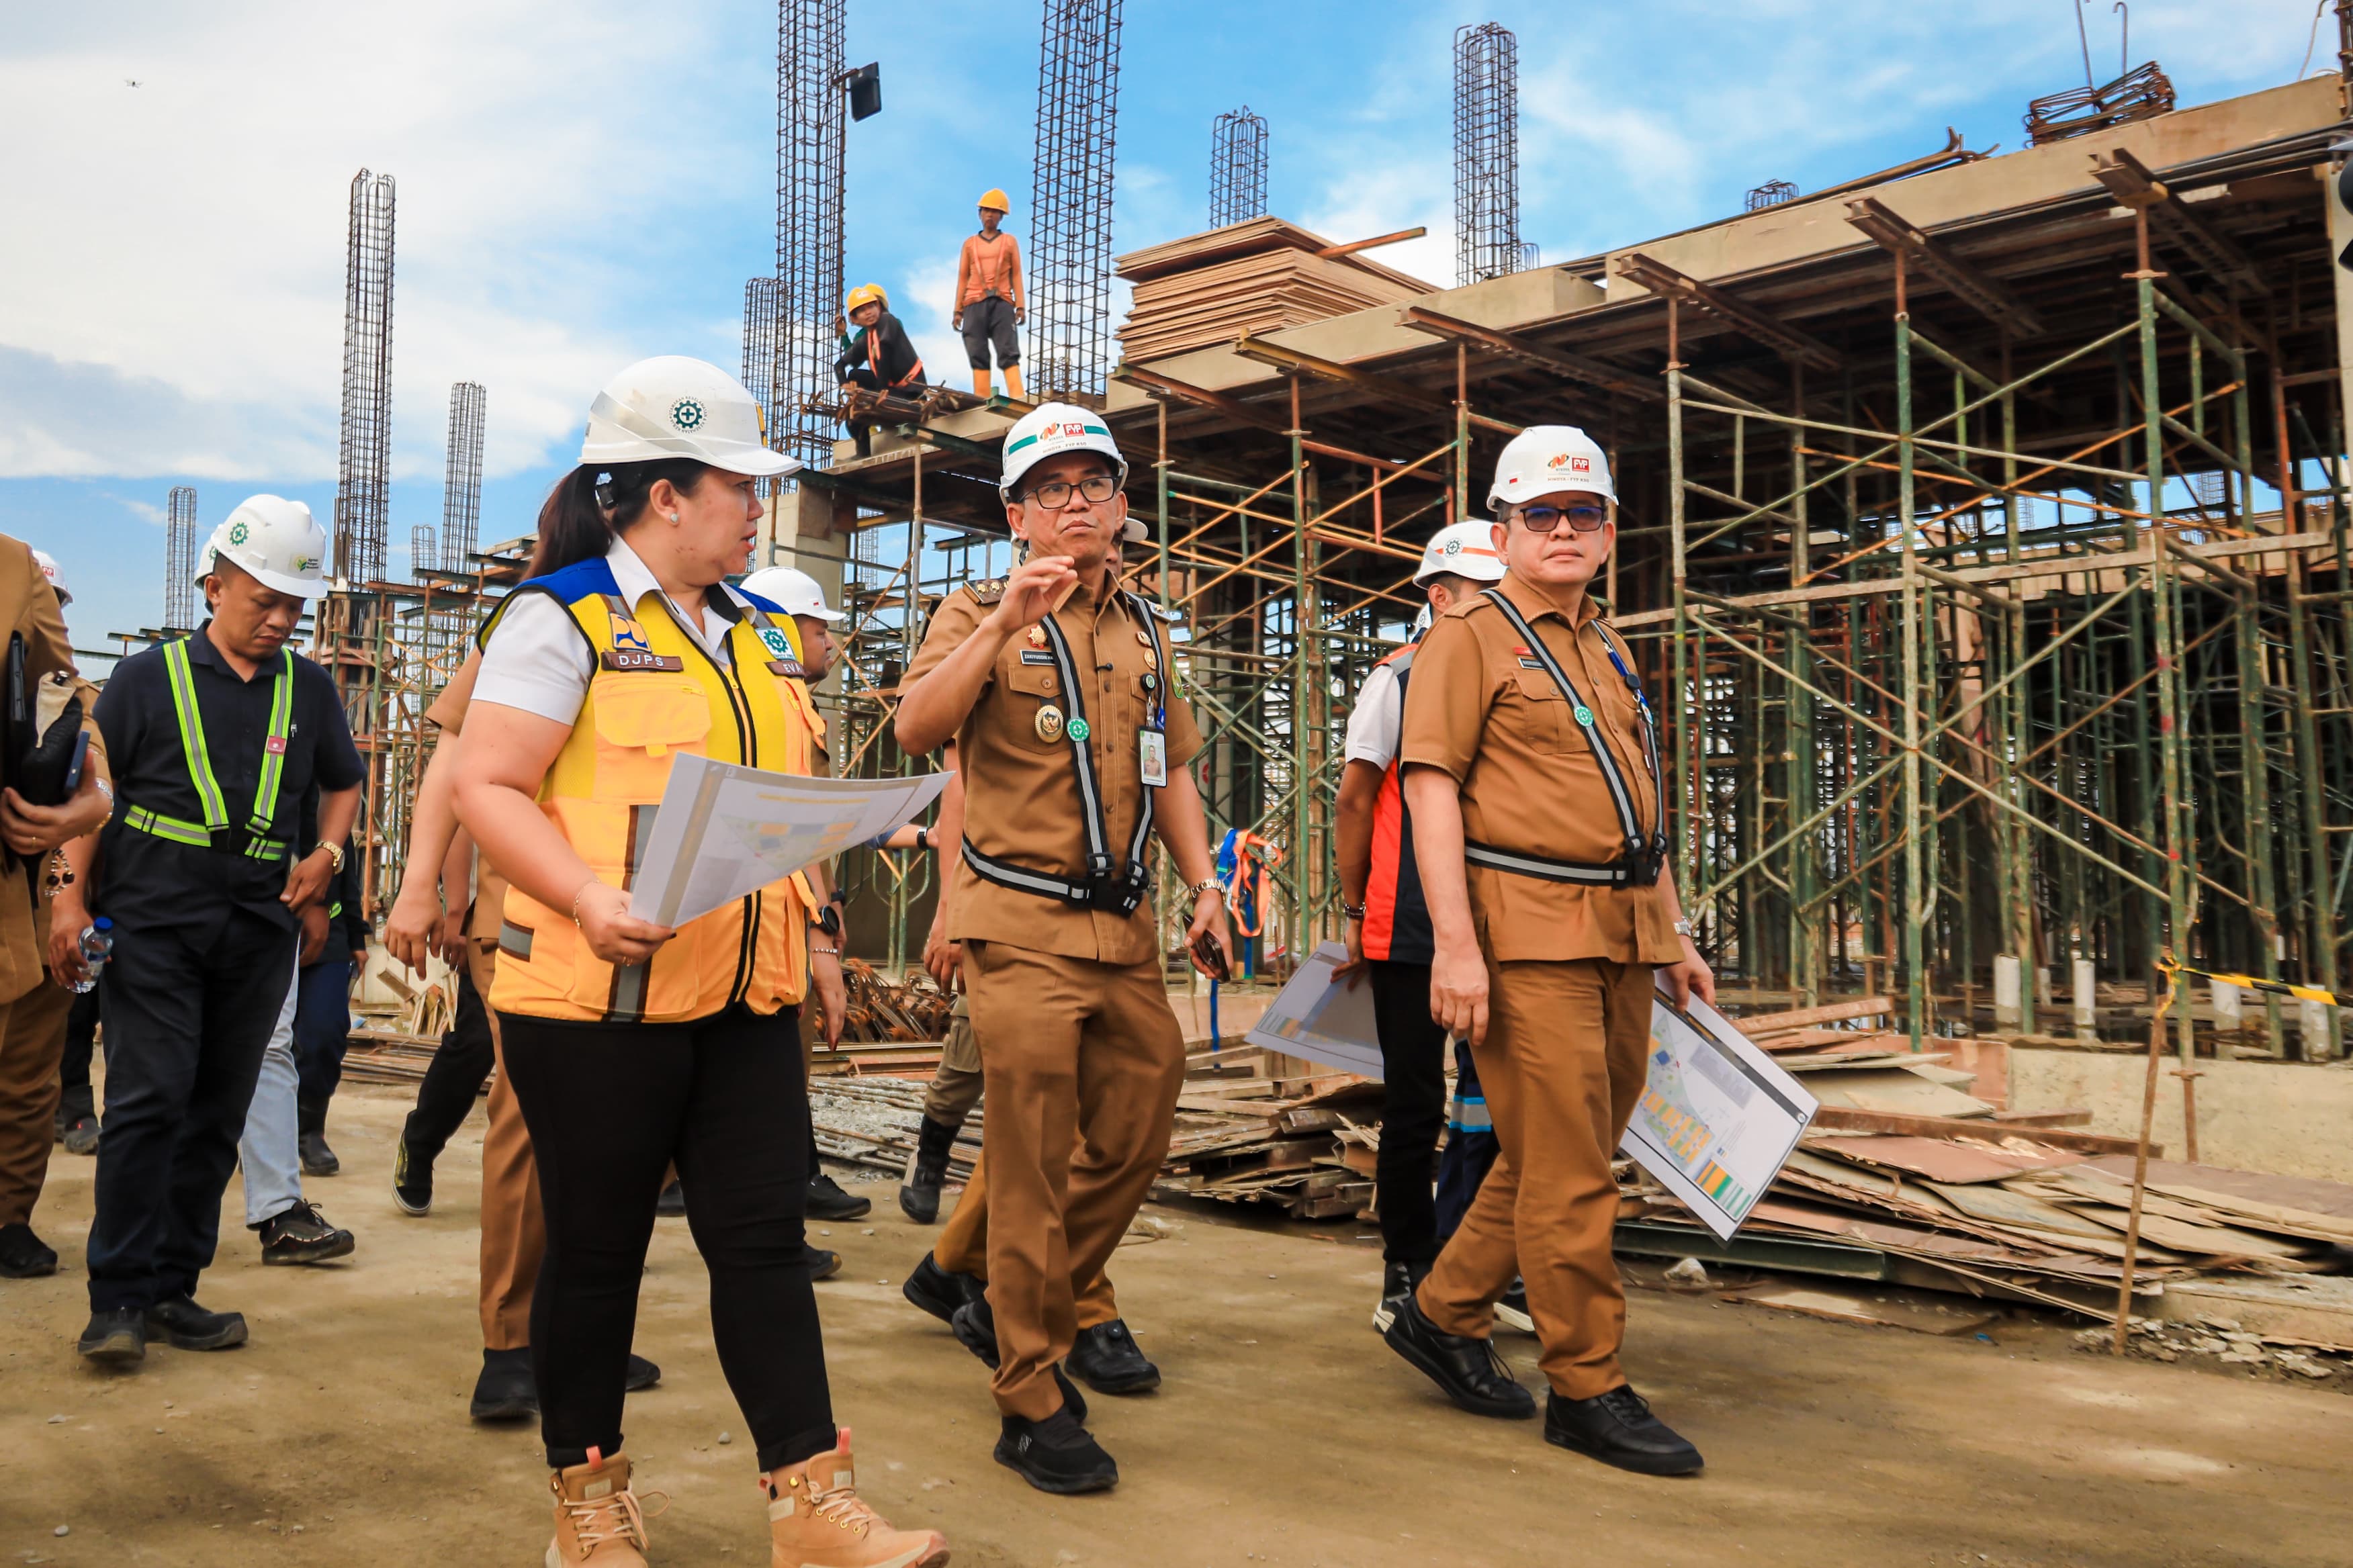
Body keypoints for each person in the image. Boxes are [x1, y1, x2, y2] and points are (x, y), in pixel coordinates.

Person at [451, 355, 944, 1567]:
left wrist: (833, 899)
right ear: (664, 493)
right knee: (598, 1252)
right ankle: (588, 1506)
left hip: (742, 992)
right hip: (595, 998)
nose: (754, 506)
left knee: (764, 1243)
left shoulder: (754, 635)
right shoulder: (557, 618)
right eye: (738, 484)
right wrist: (579, 893)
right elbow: (486, 784)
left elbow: (774, 805)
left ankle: (809, 1502)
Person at [895, 401, 1229, 1494]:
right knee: (1030, 1160)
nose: (1074, 504)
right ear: (1015, 513)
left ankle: (1014, 1297)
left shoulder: (1144, 629)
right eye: (1050, 490)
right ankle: (1030, 1392)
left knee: (1139, 1117)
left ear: (1123, 503)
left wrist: (1204, 884)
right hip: (1019, 920)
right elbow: (916, 730)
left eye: (1093, 485)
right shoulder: (975, 608)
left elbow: (1171, 771)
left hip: (1120, 924)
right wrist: (1000, 629)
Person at [1383, 427, 1713, 1477]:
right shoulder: (1468, 636)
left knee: (1555, 1151)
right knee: (1570, 1172)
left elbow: (1636, 805)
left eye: (1583, 513)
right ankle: (1586, 1383)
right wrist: (1455, 949)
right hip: (1524, 939)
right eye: (1540, 514)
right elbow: (1427, 786)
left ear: (1610, 531)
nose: (1563, 529)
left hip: (1621, 931)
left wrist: (1672, 931)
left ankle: (1440, 1308)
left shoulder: (1604, 645)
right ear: (1502, 528)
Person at [54, 499, 362, 1365]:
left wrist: (329, 856)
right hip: (154, 921)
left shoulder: (309, 689)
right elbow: (93, 797)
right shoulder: (147, 680)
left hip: (256, 926)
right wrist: (71, 900)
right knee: (150, 1102)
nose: (278, 620)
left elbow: (343, 781)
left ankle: (170, 1289)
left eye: (294, 607)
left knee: (216, 1112)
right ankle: (115, 1295)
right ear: (214, 582)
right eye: (263, 599)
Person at [382, 647, 663, 1422]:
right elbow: (455, 767)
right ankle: (508, 1343)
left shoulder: (691, 627)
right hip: (525, 921)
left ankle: (578, 1330)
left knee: (617, 1130)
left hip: (637, 923)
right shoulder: (538, 620)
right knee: (528, 1115)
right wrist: (426, 888)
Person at [1334, 520, 1513, 1332]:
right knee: (1414, 1103)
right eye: (1485, 596)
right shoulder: (1396, 680)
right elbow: (1352, 797)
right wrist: (1353, 905)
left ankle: (1479, 1259)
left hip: (1504, 922)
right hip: (1407, 923)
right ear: (1438, 598)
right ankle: (1405, 1268)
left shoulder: (1521, 671)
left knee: (1505, 1103)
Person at [741, 564, 869, 1227]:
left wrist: (828, 902)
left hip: (792, 907)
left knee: (783, 1060)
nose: (830, 643)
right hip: (766, 916)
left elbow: (810, 820)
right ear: (782, 631)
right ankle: (781, 1198)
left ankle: (798, 1175)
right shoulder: (762, 701)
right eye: (819, 628)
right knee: (772, 1060)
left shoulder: (796, 704)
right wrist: (819, 926)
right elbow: (786, 823)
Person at [0, 540, 110, 1279]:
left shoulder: (12, 571)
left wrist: (91, 801)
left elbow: (72, 704)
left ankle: (8, 1216)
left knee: (24, 1075)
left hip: (21, 889)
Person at [232, 815, 360, 1266]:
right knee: (172, 1051)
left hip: (272, 901)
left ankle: (280, 1211)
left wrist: (316, 897)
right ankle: (143, 1223)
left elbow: (330, 793)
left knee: (272, 1043)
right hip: (163, 894)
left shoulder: (300, 746)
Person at [833, 284, 925, 458]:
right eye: (862, 310)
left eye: (871, 306)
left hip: (909, 392)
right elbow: (845, 363)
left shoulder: (890, 322)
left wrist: (879, 393)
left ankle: (876, 403)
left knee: (868, 401)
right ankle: (863, 451)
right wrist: (845, 385)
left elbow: (886, 356)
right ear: (855, 318)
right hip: (887, 387)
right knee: (855, 404)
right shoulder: (865, 336)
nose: (869, 312)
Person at [954, 189, 1026, 401]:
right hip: (974, 303)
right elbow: (962, 278)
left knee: (1008, 350)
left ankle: (1017, 396)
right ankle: (981, 398)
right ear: (980, 213)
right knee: (977, 351)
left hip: (1002, 302)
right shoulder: (969, 244)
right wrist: (958, 310)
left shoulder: (1010, 242)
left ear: (1002, 216)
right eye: (986, 211)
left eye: (995, 212)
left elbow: (1017, 275)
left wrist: (1020, 305)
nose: (990, 216)